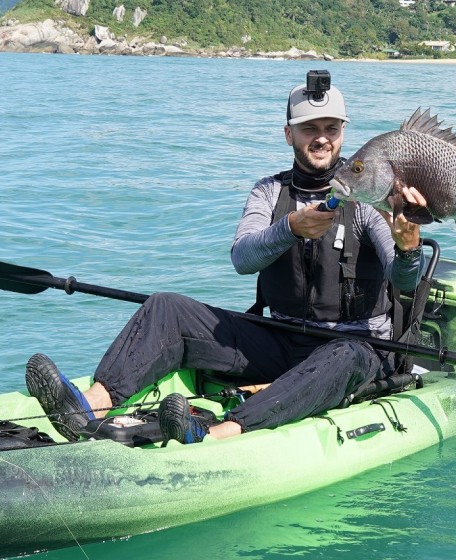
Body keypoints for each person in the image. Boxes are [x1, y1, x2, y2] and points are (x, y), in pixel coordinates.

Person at [25, 71, 429, 444]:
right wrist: (289, 228)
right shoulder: (268, 192)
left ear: (344, 132)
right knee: (167, 305)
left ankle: (214, 434)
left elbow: (404, 281)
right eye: (310, 129)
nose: (321, 138)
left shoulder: (371, 197)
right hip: (280, 338)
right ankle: (88, 405)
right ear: (289, 134)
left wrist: (409, 250)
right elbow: (242, 258)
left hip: (354, 348)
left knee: (346, 353)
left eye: (331, 128)